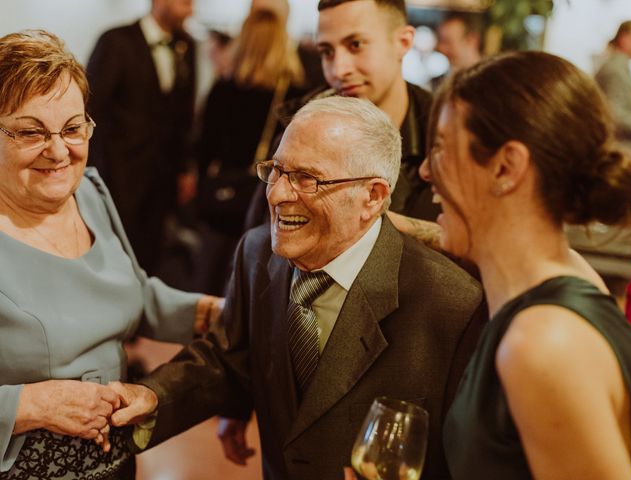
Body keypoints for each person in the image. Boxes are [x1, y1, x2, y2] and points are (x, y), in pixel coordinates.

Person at [108, 96, 487, 480]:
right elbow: (230, 358)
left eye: (307, 178)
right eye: (276, 170)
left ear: (372, 197)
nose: (276, 194)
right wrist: (154, 396)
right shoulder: (256, 254)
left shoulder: (452, 306)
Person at [0, 30, 222, 480]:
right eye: (30, 132)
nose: (59, 151)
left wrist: (210, 311)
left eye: (73, 127)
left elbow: (133, 291)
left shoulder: (91, 194)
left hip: (117, 462)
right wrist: (26, 405)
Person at [424, 51, 631, 478]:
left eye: (445, 147)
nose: (429, 172)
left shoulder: (542, 343)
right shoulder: (571, 276)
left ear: (506, 167)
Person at [245, 0, 440, 234]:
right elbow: (262, 237)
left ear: (403, 42)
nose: (339, 69)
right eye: (327, 52)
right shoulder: (298, 128)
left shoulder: (444, 135)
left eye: (355, 45)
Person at [195, 8, 307, 295]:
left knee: (209, 277)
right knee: (252, 282)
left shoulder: (223, 88)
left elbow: (204, 147)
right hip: (263, 199)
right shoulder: (294, 94)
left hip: (222, 199)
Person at [86, 0, 196, 276]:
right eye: (184, 1)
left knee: (151, 256)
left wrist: (184, 168)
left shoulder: (187, 45)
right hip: (118, 173)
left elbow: (184, 115)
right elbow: (90, 109)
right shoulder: (116, 41)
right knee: (114, 254)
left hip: (162, 176)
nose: (190, 8)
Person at [595, 20, 631, 163]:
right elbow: (614, 116)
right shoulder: (615, 69)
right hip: (621, 153)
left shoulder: (619, 67)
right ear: (624, 39)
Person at [429, 12, 483, 93]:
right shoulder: (438, 83)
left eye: (447, 41)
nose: (440, 48)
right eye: (440, 41)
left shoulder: (492, 81)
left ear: (471, 40)